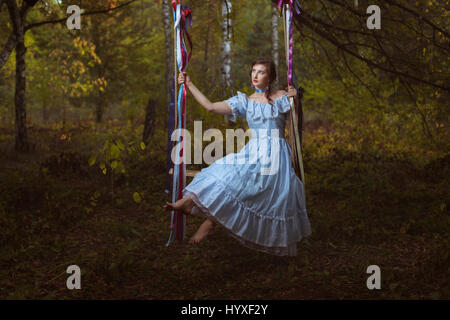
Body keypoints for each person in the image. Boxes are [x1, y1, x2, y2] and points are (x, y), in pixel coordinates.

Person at [164, 57, 311, 256]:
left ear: (270, 77)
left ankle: (209, 222)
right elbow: (211, 107)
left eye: (261, 72)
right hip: (254, 150)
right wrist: (190, 85)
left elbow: (296, 125)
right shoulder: (245, 101)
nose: (255, 75)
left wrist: (296, 101)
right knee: (227, 173)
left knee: (262, 190)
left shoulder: (282, 96)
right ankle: (194, 205)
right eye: (253, 71)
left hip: (276, 153)